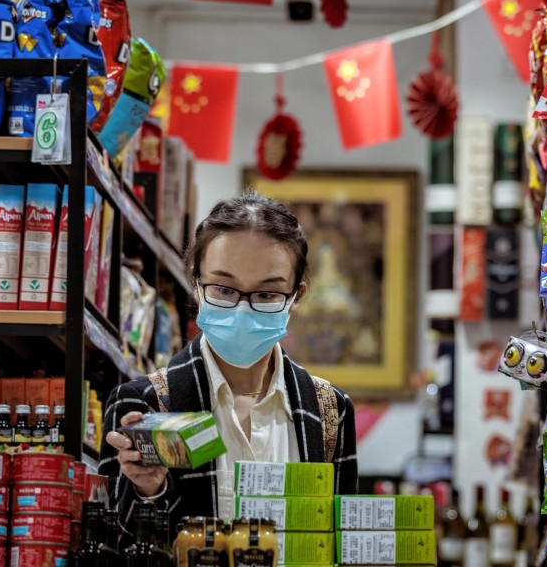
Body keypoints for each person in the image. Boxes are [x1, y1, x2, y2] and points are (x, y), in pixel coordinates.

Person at [100, 192, 358, 540]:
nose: (242, 309)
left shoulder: (330, 410)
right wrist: (148, 491)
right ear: (195, 282)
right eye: (223, 289)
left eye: (267, 295)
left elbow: (343, 543)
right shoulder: (143, 404)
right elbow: (111, 544)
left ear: (295, 297)